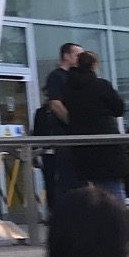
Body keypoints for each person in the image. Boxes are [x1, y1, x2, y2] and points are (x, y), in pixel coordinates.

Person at [62, 50, 128, 199]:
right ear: (94, 65)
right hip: (106, 142)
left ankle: (97, 220)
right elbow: (119, 108)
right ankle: (118, 220)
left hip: (82, 144)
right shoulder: (101, 85)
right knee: (113, 190)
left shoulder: (69, 88)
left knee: (92, 192)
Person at [37, 41, 83, 201]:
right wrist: (74, 123)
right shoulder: (57, 77)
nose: (80, 59)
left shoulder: (76, 77)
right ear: (66, 56)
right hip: (63, 136)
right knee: (61, 178)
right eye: (77, 55)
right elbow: (55, 103)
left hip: (74, 137)